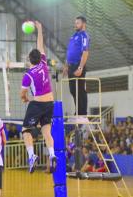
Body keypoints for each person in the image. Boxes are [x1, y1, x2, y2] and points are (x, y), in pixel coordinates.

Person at [20, 21, 57, 174]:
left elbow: (22, 93)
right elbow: (40, 44)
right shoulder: (44, 63)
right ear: (39, 57)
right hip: (50, 103)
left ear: (29, 59)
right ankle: (53, 155)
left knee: (25, 130)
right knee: (46, 132)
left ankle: (31, 155)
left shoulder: (28, 75)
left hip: (38, 104)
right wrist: (40, 29)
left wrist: (25, 98)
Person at [63, 16, 90, 123]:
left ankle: (83, 114)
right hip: (71, 66)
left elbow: (85, 52)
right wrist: (66, 65)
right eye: (75, 23)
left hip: (78, 66)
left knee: (80, 90)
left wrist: (80, 67)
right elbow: (70, 51)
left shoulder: (84, 35)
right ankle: (77, 113)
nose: (75, 24)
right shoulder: (73, 36)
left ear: (83, 24)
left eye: (77, 23)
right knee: (73, 90)